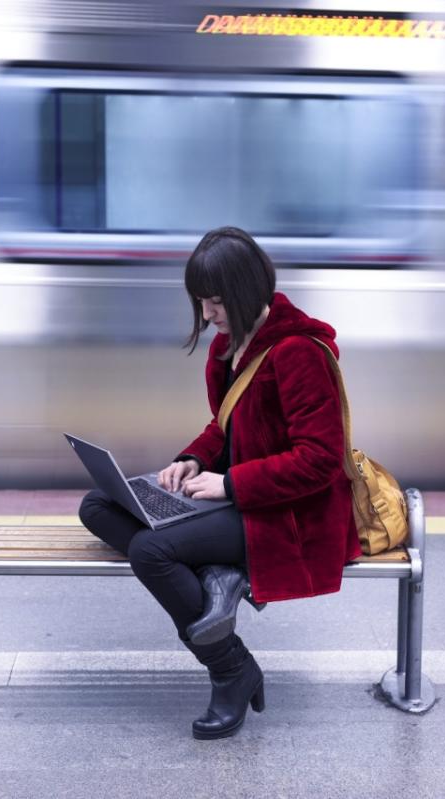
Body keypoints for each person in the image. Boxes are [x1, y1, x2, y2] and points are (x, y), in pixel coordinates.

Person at [79, 226, 360, 739]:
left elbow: (319, 461)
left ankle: (230, 669)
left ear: (248, 290)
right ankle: (217, 576)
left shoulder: (299, 351)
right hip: (242, 496)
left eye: (215, 302)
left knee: (151, 552)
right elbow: (224, 427)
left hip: (288, 514)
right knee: (97, 506)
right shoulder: (230, 347)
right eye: (201, 302)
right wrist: (191, 460)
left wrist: (229, 485)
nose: (207, 315)